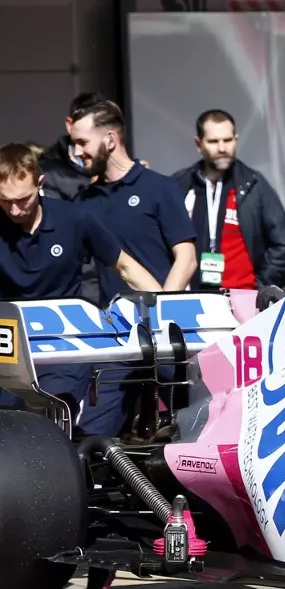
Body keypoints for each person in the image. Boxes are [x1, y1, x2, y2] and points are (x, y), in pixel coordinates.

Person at [0, 143, 161, 421]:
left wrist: (167, 308)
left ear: (40, 183)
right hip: (8, 348)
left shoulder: (74, 218)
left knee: (50, 420)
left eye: (23, 200)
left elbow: (125, 267)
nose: (14, 210)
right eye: (5, 201)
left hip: (62, 346)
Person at [70, 99, 198, 437]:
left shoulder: (159, 187)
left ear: (110, 139)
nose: (76, 150)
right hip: (114, 339)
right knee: (91, 435)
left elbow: (186, 258)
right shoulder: (83, 204)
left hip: (168, 337)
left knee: (184, 430)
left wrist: (164, 312)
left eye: (82, 142)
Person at [171, 109, 285, 292]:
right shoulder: (180, 185)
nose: (222, 148)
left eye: (228, 140)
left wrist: (259, 285)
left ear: (235, 139)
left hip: (244, 298)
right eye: (214, 141)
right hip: (192, 299)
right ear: (199, 144)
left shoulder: (253, 185)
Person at [37, 91, 108, 202]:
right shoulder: (47, 172)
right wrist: (92, 191)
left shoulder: (113, 163)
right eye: (91, 128)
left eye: (102, 128)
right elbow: (55, 216)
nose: (98, 135)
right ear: (70, 125)